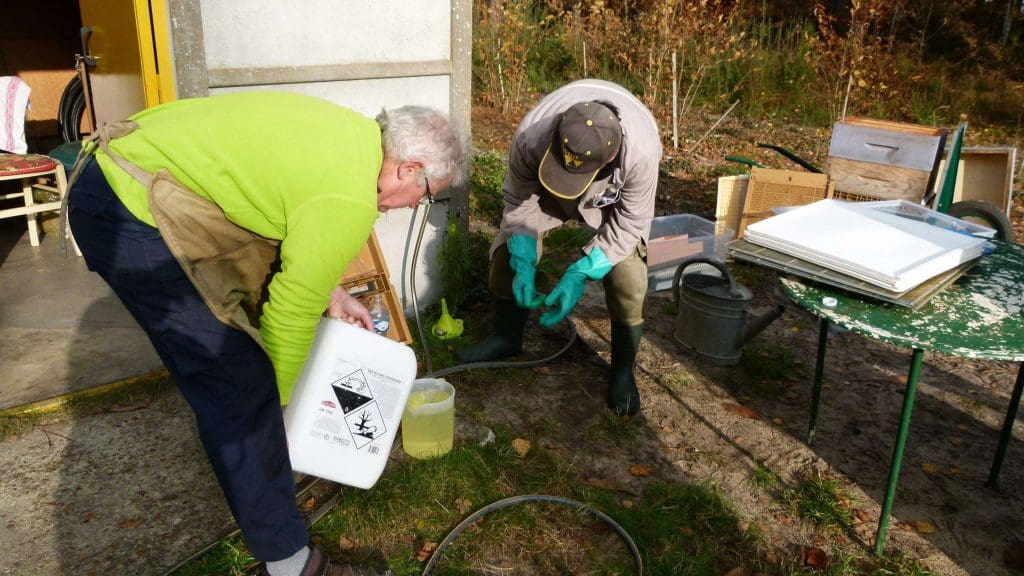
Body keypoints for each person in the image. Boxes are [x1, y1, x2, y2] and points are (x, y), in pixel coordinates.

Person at [66, 91, 468, 576]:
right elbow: (289, 312)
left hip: (123, 172)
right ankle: (292, 566)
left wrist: (333, 294)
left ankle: (263, 488)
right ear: (409, 169)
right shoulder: (348, 196)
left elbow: (295, 227)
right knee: (239, 387)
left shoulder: (353, 139)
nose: (413, 206)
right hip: (126, 206)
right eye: (426, 195)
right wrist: (278, 407)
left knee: (245, 381)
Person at [456, 79, 661, 416]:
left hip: (613, 200)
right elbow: (518, 200)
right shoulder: (531, 136)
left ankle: (623, 369)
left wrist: (582, 270)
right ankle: (506, 337)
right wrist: (523, 256)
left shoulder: (640, 154)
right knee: (509, 253)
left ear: (610, 156)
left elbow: (630, 223)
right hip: (546, 191)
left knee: (628, 277)